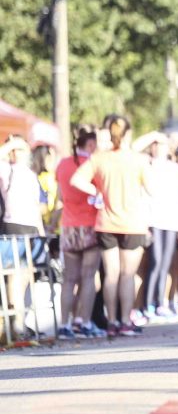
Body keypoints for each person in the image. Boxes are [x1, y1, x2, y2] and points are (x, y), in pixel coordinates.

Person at [70, 115, 152, 337]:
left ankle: (112, 321)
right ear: (128, 134)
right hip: (133, 222)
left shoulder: (100, 159)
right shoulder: (138, 159)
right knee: (128, 274)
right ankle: (125, 321)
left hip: (106, 222)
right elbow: (151, 189)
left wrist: (97, 191)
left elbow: (76, 180)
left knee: (111, 274)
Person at [54, 126, 105, 339]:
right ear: (91, 144)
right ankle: (84, 322)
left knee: (69, 279)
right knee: (88, 277)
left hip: (68, 226)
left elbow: (60, 196)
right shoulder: (92, 165)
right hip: (90, 225)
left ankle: (64, 325)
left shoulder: (62, 164)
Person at [138, 132, 178, 319]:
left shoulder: (175, 169)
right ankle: (147, 305)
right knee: (155, 261)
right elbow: (143, 195)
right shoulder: (147, 166)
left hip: (171, 221)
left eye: (162, 144)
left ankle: (160, 303)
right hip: (154, 221)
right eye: (156, 144)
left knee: (166, 263)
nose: (159, 148)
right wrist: (144, 222)